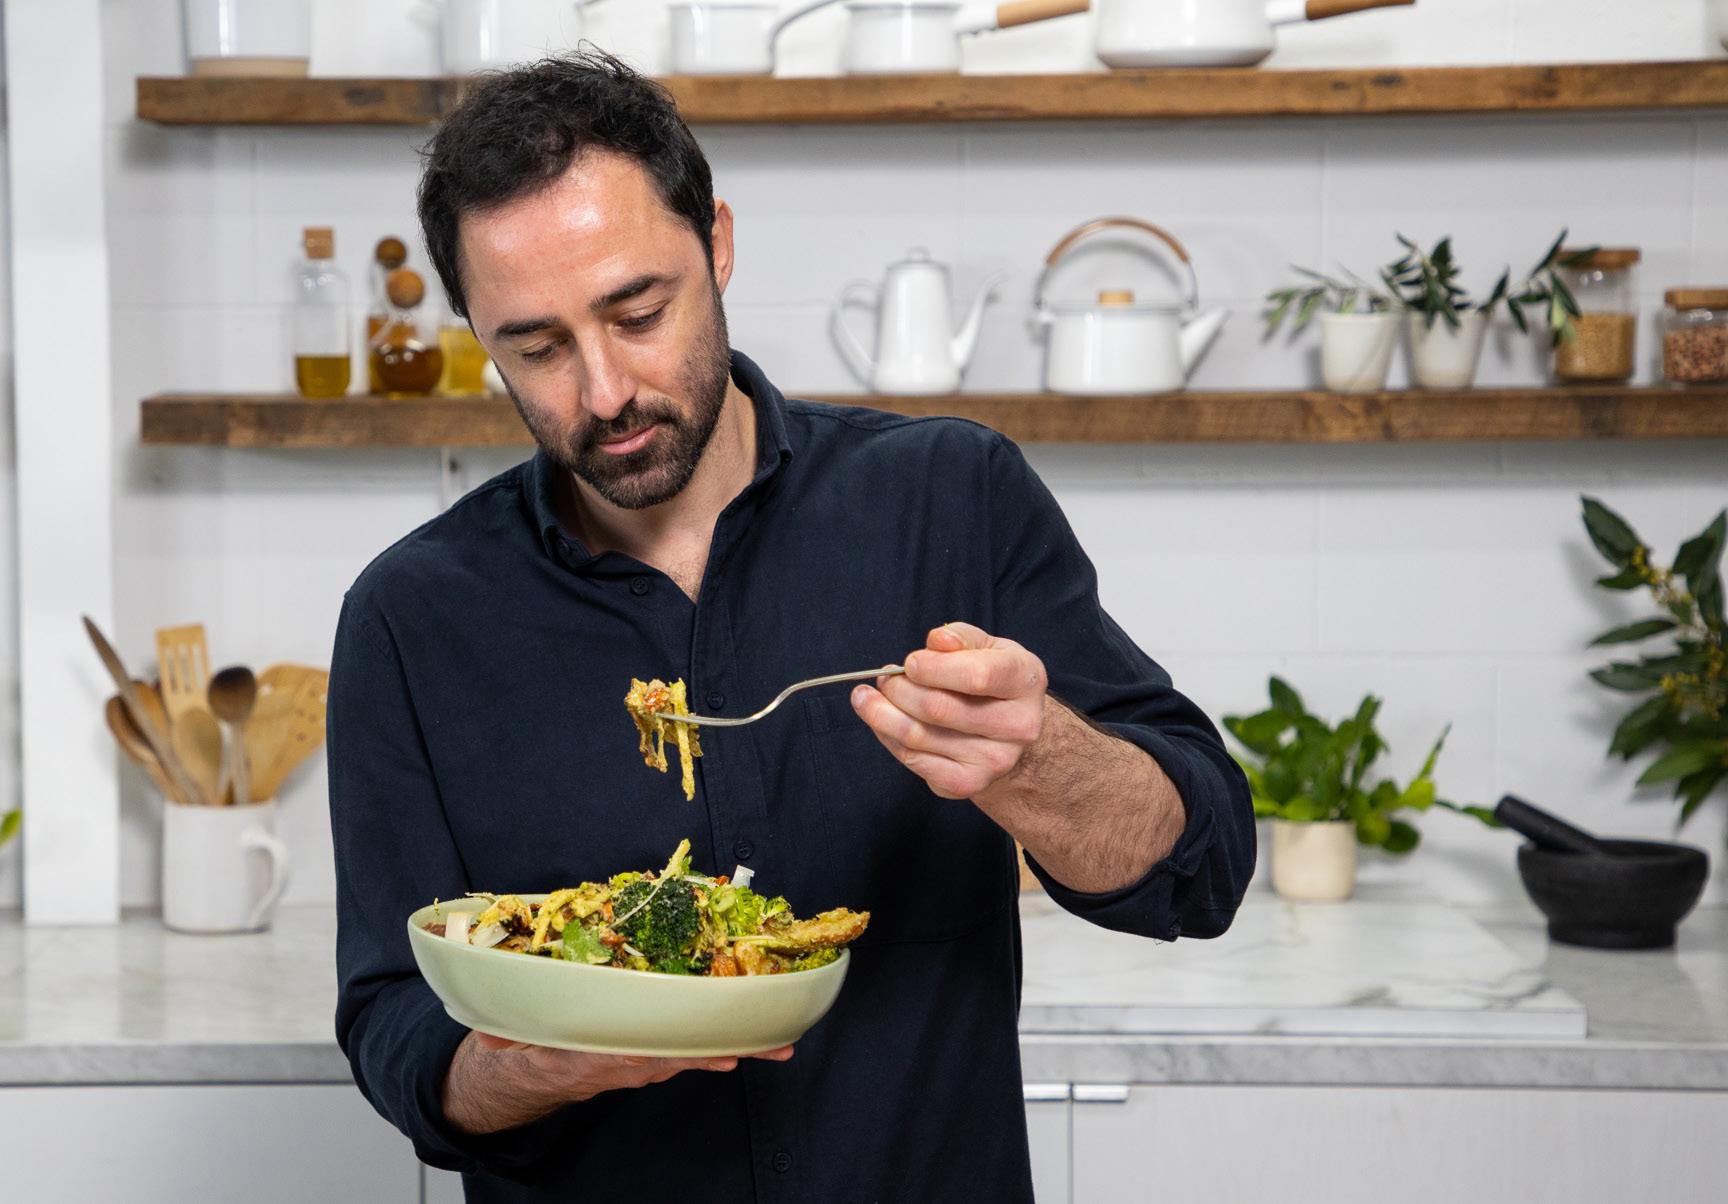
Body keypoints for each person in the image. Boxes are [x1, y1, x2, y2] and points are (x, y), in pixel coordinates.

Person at [328, 53, 1255, 1203]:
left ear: (717, 243)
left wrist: (1044, 765)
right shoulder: (411, 615)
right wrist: (527, 1064)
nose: (604, 391)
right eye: (537, 347)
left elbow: (1201, 871)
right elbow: (391, 1023)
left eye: (638, 312)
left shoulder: (948, 498)